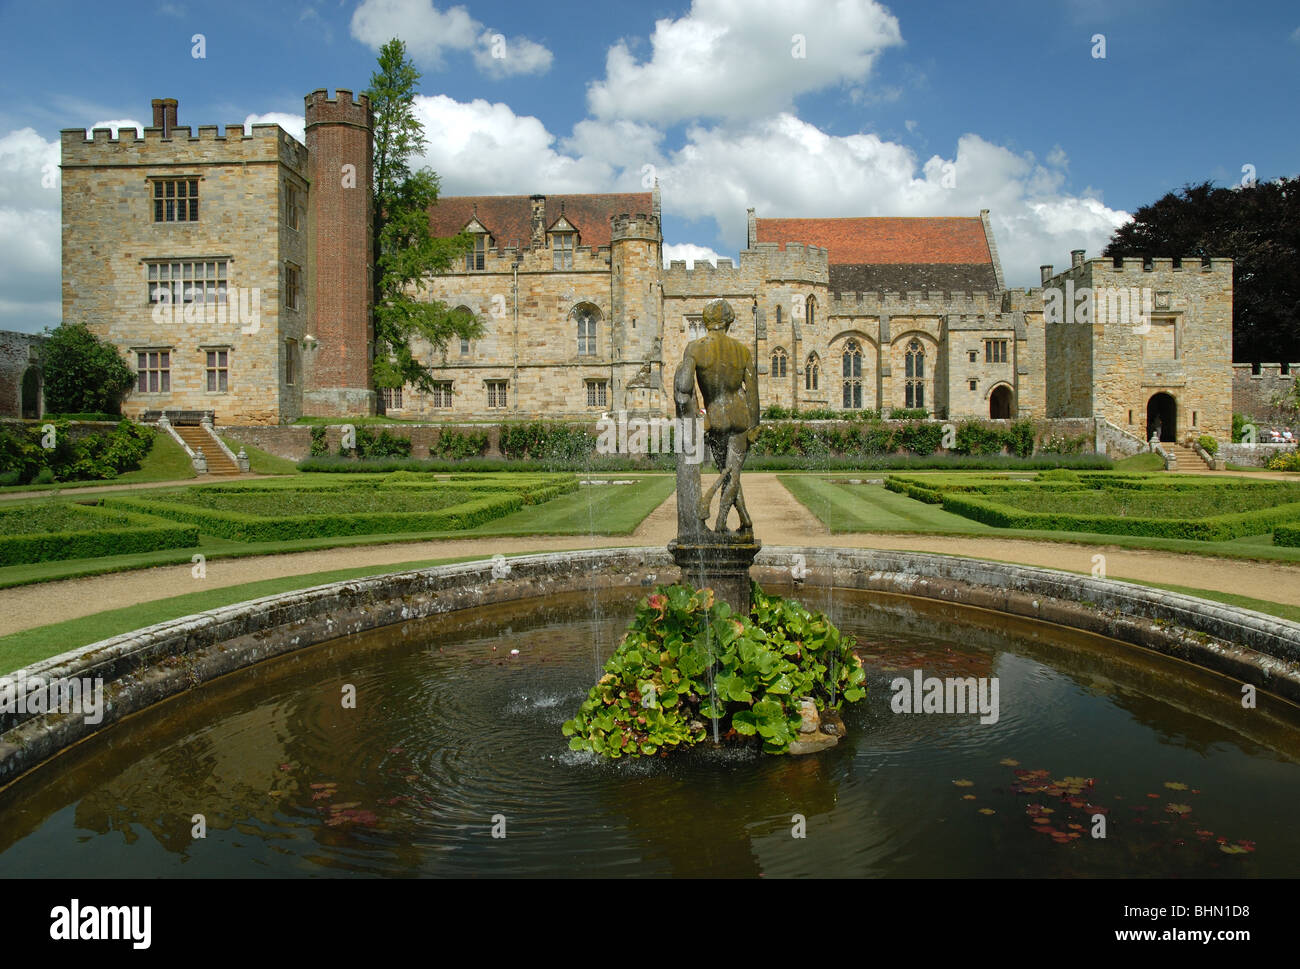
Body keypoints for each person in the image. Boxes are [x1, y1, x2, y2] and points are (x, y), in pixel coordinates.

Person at [673, 298, 760, 534]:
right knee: (732, 473)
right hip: (740, 416)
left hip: (715, 418)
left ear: (706, 321)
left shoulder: (695, 348)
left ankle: (735, 521)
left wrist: (699, 413)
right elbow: (752, 392)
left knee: (729, 472)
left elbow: (684, 387)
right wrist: (755, 424)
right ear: (729, 321)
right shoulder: (742, 351)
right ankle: (725, 521)